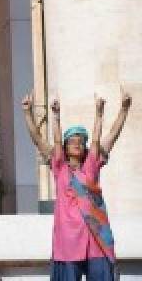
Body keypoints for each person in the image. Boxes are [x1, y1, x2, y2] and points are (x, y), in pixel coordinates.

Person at [22, 90, 130, 281]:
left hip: (95, 237)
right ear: (64, 147)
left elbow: (108, 136)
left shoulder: (91, 166)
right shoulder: (60, 167)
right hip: (68, 241)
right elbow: (38, 139)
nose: (77, 144)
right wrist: (33, 114)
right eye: (72, 141)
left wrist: (119, 110)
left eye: (81, 141)